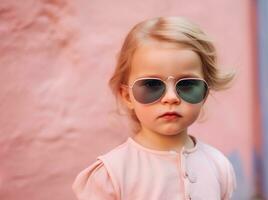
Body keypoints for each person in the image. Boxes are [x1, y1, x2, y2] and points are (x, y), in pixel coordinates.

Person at [72, 16, 237, 200]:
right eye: (152, 85)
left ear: (205, 93)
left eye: (187, 85)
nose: (171, 98)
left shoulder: (218, 166)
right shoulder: (112, 175)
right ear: (127, 96)